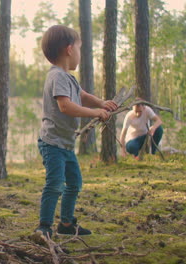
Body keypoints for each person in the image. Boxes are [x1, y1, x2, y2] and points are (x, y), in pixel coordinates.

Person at [35, 25, 118, 239]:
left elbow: (80, 94)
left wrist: (101, 102)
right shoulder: (57, 76)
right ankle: (43, 227)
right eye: (80, 48)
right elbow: (66, 106)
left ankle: (66, 224)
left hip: (65, 144)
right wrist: (95, 112)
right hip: (53, 143)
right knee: (55, 184)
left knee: (74, 183)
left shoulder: (68, 77)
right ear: (70, 50)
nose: (80, 54)